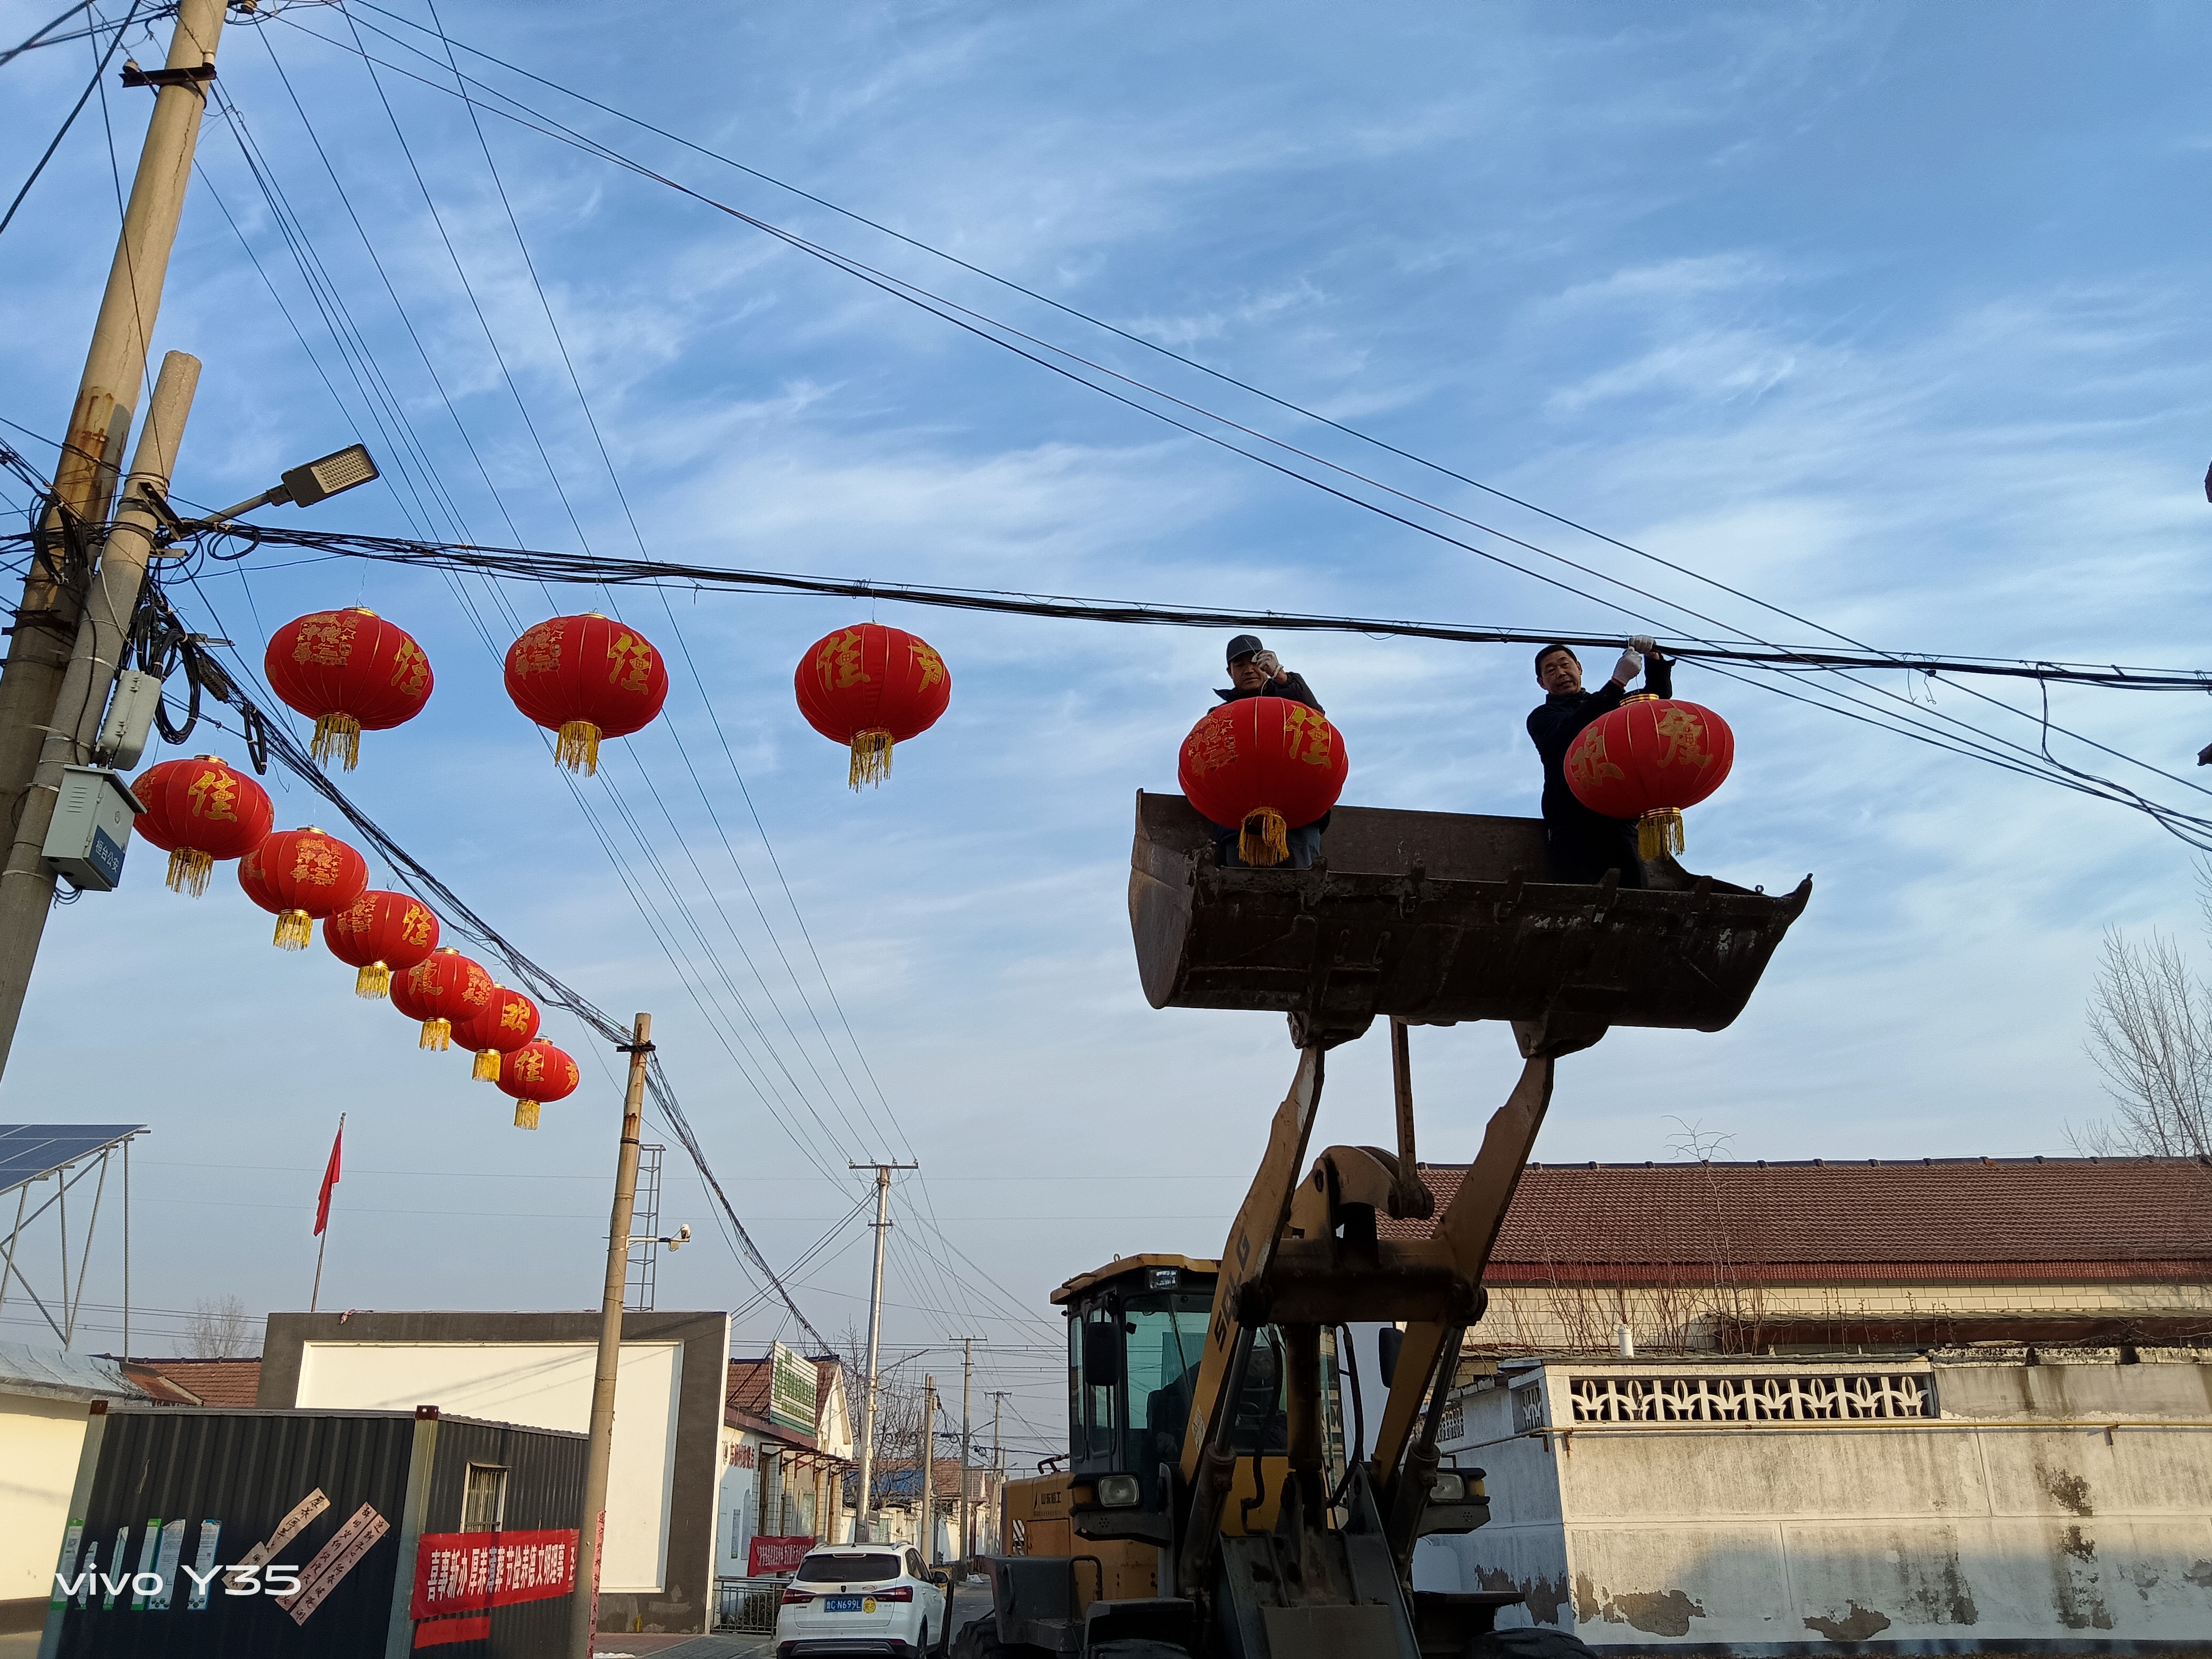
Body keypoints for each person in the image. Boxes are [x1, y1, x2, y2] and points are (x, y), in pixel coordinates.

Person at [1526, 637, 1673, 886]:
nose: (1561, 673)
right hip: (1572, 825)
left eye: (1565, 665)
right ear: (1542, 683)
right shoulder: (1542, 717)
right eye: (1551, 670)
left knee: (1634, 900)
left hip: (1620, 820)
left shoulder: (1612, 704)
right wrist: (1617, 682)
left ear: (1579, 668)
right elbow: (1572, 728)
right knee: (1581, 901)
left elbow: (1656, 698)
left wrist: (1653, 656)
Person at [1209, 633, 1326, 869]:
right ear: (1230, 672)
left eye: (1255, 661)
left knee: (1301, 889)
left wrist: (1282, 677)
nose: (1249, 669)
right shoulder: (1219, 717)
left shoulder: (1289, 694)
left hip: (1296, 820)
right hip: (1240, 825)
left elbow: (1316, 719)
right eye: (1239, 665)